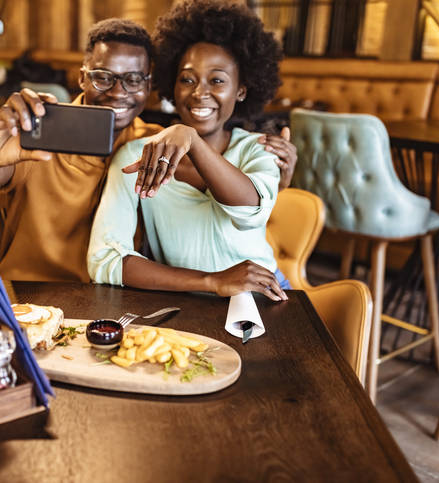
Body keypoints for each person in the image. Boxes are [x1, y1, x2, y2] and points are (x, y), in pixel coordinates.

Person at [0, 18, 296, 283]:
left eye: (133, 80)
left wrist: (278, 182)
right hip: (32, 293)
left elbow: (224, 197)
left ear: (149, 85)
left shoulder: (154, 142)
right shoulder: (40, 132)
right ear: (82, 77)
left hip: (118, 304)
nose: (118, 92)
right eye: (103, 76)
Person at [87, 0, 288, 301]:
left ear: (241, 90)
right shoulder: (137, 157)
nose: (199, 92)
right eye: (187, 79)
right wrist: (212, 281)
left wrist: (191, 141)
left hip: (264, 294)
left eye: (217, 80)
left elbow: (251, 213)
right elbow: (105, 260)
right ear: (172, 85)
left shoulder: (258, 149)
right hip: (185, 297)